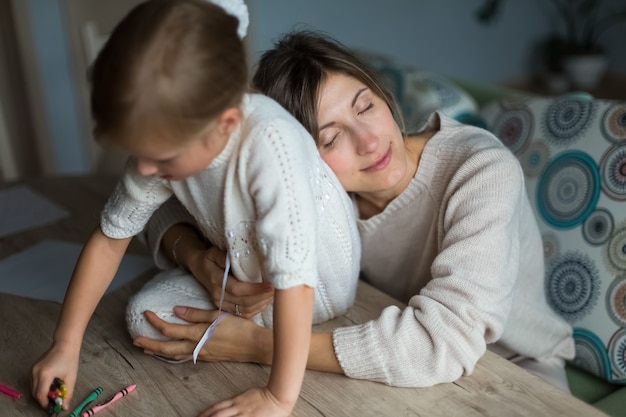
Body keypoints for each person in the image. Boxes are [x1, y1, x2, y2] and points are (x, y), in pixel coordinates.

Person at [131, 29, 577, 393]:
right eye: (330, 139)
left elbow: (442, 343)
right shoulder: (319, 195)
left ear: (382, 94)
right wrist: (194, 255)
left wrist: (262, 346)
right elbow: (159, 204)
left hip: (515, 371)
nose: (368, 140)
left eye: (365, 105)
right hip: (385, 346)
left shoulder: (480, 170)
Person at [31, 3, 360, 416]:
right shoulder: (166, 138)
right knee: (144, 318)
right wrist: (65, 345)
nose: (146, 169)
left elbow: (298, 283)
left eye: (161, 158)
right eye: (137, 153)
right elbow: (109, 238)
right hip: (246, 272)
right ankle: (235, 323)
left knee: (178, 320)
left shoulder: (273, 143)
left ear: (224, 124)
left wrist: (278, 397)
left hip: (316, 285)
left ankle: (254, 341)